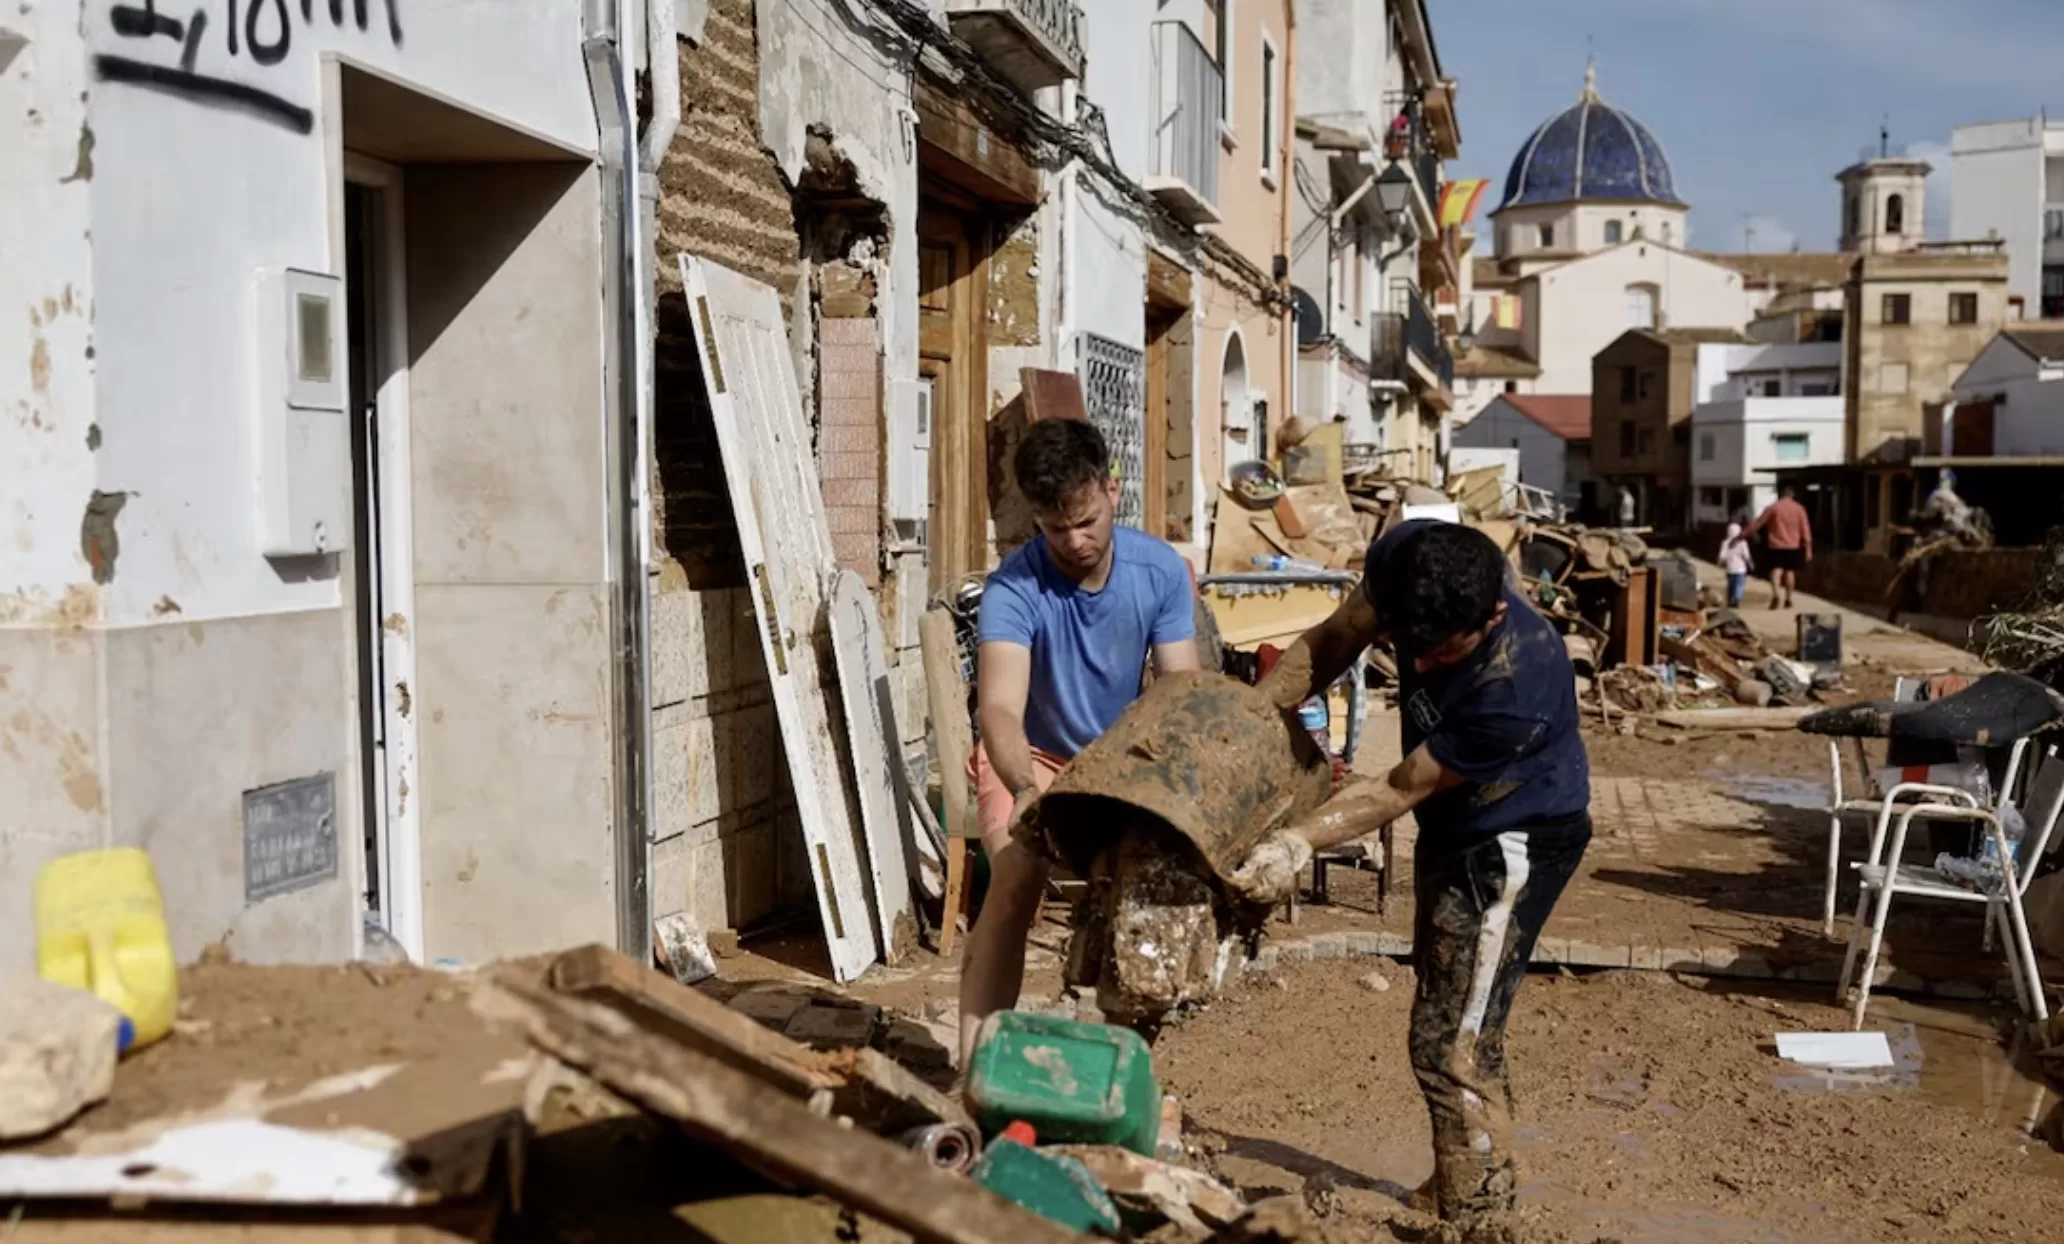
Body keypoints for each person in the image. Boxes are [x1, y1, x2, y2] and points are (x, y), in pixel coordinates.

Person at [1235, 520, 1591, 1224]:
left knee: (1452, 1041)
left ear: (1491, 615)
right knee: (1449, 1007)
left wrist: (1296, 844)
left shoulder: (1515, 686)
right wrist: (1251, 720)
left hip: (1513, 841)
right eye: (1405, 647)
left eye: (1438, 652)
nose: (1420, 668)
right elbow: (1335, 638)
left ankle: (1477, 1219)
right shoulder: (1411, 558)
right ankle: (1463, 1179)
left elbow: (1397, 788)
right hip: (1455, 826)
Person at [962, 418, 1200, 1063]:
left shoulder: (1161, 571)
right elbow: (1001, 711)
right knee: (1015, 869)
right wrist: (1024, 794)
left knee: (1150, 881)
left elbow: (1181, 692)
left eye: (1086, 520)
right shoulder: (1014, 587)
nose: (1073, 540)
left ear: (1110, 488)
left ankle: (1120, 1063)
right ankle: (976, 1064)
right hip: (1031, 757)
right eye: (1054, 527)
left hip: (1122, 759)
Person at [1747, 485, 1812, 609]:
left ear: (1781, 495)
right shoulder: (1799, 509)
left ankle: (1776, 594)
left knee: (1776, 571)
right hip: (1793, 545)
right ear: (1792, 495)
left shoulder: (1773, 508)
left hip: (1776, 545)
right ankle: (1788, 598)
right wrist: (1808, 548)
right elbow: (1805, 530)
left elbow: (1758, 523)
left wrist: (1743, 535)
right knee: (1789, 572)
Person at [1719, 521, 1754, 608]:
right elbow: (1746, 556)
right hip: (1740, 569)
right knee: (1739, 585)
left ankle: (1730, 599)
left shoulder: (1725, 543)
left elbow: (1722, 556)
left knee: (1731, 585)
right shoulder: (1742, 543)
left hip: (1730, 568)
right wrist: (1750, 564)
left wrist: (1720, 563)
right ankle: (1736, 599)